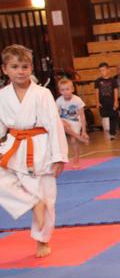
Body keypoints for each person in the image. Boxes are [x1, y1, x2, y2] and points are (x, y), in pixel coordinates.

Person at [0, 44, 67, 258]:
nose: (20, 71)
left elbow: (54, 124)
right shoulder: (2, 96)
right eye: (15, 67)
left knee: (47, 198)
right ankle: (29, 202)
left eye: (25, 66)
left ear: (31, 68)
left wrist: (59, 157)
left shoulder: (42, 93)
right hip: (14, 147)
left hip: (41, 148)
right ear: (4, 69)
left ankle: (42, 240)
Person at [55, 78, 89, 168]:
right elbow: (56, 115)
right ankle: (80, 138)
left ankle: (76, 161)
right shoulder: (59, 101)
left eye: (67, 89)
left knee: (73, 141)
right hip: (64, 121)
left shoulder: (77, 100)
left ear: (72, 89)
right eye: (62, 90)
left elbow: (82, 116)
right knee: (62, 123)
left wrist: (84, 131)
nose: (65, 92)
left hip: (75, 122)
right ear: (60, 91)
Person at [94, 62, 119, 139]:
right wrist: (97, 102)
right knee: (104, 115)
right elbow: (97, 91)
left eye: (104, 70)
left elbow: (115, 91)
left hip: (111, 101)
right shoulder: (98, 81)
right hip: (103, 102)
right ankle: (106, 130)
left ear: (108, 70)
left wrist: (116, 101)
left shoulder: (113, 80)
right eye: (100, 70)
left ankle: (112, 133)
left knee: (113, 116)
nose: (102, 72)